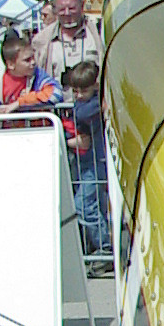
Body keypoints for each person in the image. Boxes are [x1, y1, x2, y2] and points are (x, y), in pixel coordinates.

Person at [62, 58, 111, 258]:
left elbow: (82, 114)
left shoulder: (92, 106)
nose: (79, 96)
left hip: (96, 162)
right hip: (85, 161)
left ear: (95, 87)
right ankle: (99, 244)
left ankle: (104, 246)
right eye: (75, 91)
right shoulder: (87, 103)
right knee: (95, 204)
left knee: (83, 205)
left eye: (84, 91)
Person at [0, 32, 61, 118]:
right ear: (11, 64)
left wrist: (20, 103)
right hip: (2, 133)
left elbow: (56, 93)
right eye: (27, 60)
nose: (33, 62)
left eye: (33, 57)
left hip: (32, 132)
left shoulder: (38, 76)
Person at [33, 0, 104, 79]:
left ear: (82, 6)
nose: (67, 13)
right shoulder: (41, 40)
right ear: (55, 10)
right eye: (62, 9)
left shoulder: (98, 34)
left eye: (72, 8)